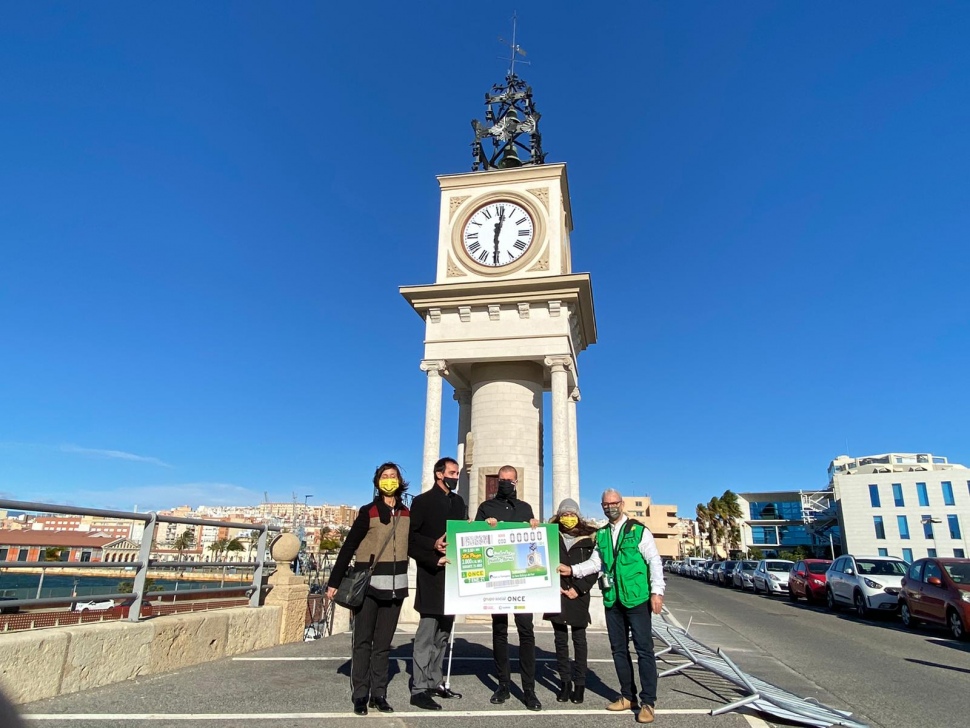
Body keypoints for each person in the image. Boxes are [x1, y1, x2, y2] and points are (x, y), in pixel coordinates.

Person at [559, 488, 665, 724]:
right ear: (602, 506)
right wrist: (572, 570)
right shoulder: (603, 534)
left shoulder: (639, 531)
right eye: (606, 504)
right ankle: (628, 696)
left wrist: (657, 591)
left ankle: (648, 702)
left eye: (614, 503)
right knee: (618, 650)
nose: (610, 507)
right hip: (613, 599)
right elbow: (595, 563)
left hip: (637, 598)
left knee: (644, 650)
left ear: (622, 503)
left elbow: (654, 561)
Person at [326, 462, 411, 716]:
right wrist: (334, 581)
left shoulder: (406, 513)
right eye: (384, 476)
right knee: (363, 641)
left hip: (397, 587)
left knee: (383, 644)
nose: (389, 480)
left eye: (393, 476)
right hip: (369, 586)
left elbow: (414, 544)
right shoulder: (368, 511)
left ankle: (379, 694)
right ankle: (360, 694)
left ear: (399, 481)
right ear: (377, 482)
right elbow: (349, 546)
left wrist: (439, 551)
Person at [475, 465, 542, 712]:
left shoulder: (525, 509)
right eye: (501, 480)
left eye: (509, 480)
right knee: (499, 631)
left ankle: (529, 690)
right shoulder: (486, 508)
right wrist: (485, 526)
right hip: (497, 581)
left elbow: (534, 543)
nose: (505, 483)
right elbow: (474, 539)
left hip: (523, 582)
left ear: (516, 482)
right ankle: (503, 684)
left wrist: (534, 526)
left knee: (526, 632)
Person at [407, 457, 468, 711]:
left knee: (443, 635)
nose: (456, 476)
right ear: (439, 474)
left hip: (453, 579)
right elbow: (410, 538)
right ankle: (419, 688)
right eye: (453, 472)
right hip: (431, 576)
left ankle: (435, 680)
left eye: (457, 473)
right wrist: (433, 548)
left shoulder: (459, 502)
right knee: (426, 634)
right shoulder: (421, 502)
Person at [542, 497, 597, 705]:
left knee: (580, 641)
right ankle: (564, 683)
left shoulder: (590, 538)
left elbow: (596, 567)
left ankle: (579, 684)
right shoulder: (549, 534)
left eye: (571, 514)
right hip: (556, 593)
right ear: (558, 515)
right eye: (564, 514)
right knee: (560, 641)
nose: (568, 518)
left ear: (578, 516)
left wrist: (579, 588)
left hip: (579, 594)